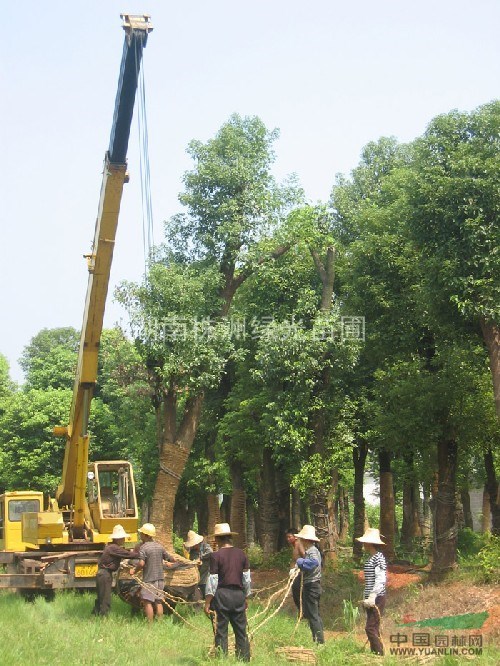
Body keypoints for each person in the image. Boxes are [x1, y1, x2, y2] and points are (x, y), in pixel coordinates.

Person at [204, 523, 251, 662]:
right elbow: (247, 579)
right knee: (241, 631)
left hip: (222, 595)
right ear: (230, 538)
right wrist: (246, 597)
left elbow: (213, 580)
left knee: (221, 631)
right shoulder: (242, 554)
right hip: (238, 595)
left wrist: (207, 602)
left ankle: (222, 660)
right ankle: (244, 660)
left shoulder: (215, 556)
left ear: (218, 540)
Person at [129, 523, 177, 622]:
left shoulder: (144, 548)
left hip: (149, 580)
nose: (140, 535)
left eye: (141, 533)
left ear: (146, 535)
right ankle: (160, 623)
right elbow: (170, 558)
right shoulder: (159, 546)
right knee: (158, 601)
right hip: (160, 579)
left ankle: (150, 626)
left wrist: (134, 570)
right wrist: (175, 560)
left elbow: (141, 563)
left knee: (147, 602)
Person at [92, 524, 135, 616]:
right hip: (105, 574)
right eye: (122, 538)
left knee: (101, 597)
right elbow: (129, 555)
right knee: (105, 599)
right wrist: (140, 553)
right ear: (118, 539)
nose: (123, 540)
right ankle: (103, 618)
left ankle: (95, 615)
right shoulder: (114, 548)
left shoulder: (111, 547)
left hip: (102, 574)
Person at [356, 527, 387, 656]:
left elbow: (381, 578)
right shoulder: (371, 557)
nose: (363, 544)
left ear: (370, 543)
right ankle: (375, 653)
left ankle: (379, 654)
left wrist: (373, 595)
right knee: (373, 627)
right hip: (370, 597)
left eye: (365, 542)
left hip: (377, 597)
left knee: (370, 628)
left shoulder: (378, 557)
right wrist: (367, 596)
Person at [294, 525, 324, 644]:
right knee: (314, 614)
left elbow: (313, 563)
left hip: (312, 586)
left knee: (313, 615)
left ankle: (319, 641)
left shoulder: (312, 551)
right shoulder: (310, 551)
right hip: (311, 585)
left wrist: (300, 562)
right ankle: (319, 639)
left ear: (305, 540)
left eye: (301, 539)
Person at [184, 529, 213, 599]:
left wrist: (201, 558)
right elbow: (192, 561)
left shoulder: (205, 546)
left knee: (206, 591)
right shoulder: (192, 552)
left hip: (206, 574)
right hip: (197, 575)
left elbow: (210, 552)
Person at [285, 527, 304, 612]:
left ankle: (303, 612)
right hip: (294, 573)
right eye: (287, 537)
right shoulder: (294, 546)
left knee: (298, 594)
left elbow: (305, 556)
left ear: (295, 537)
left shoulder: (299, 544)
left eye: (290, 537)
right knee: (295, 594)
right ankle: (301, 612)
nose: (288, 539)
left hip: (299, 574)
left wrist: (299, 569)